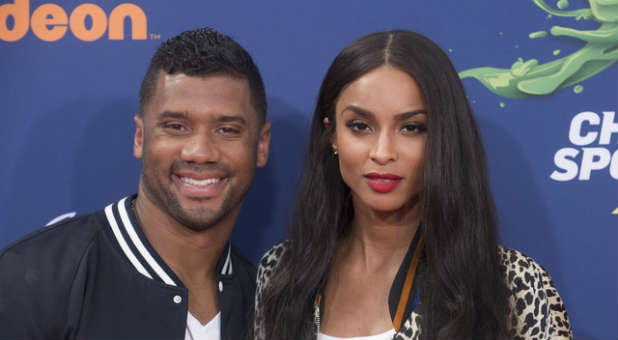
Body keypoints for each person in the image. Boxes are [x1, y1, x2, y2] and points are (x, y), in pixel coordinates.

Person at [254, 30, 572, 340]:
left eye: (411, 128)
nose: (382, 152)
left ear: (443, 138)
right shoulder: (281, 273)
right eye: (360, 126)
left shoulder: (511, 283)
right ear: (332, 135)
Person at [0, 27, 270, 340]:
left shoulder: (266, 301)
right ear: (140, 137)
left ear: (261, 145)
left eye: (227, 130)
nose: (200, 152)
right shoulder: (35, 277)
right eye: (176, 126)